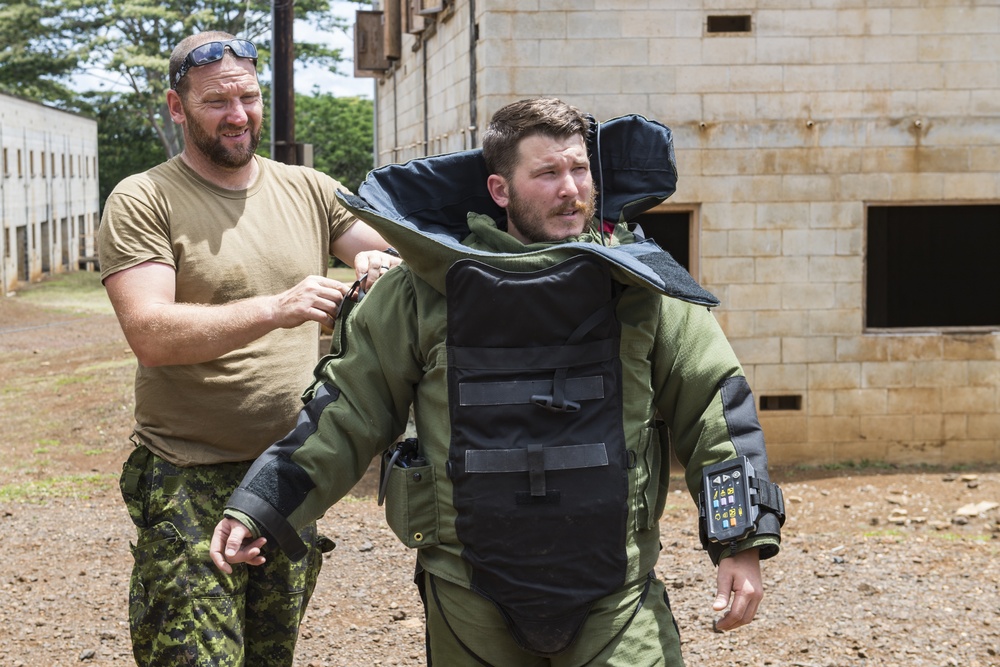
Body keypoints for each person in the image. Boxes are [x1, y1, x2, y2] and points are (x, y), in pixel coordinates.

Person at [210, 98, 784, 666]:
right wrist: (259, 506)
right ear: (499, 190)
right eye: (548, 173)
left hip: (615, 594)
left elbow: (715, 403)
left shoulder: (641, 284)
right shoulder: (418, 293)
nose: (571, 190)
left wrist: (740, 542)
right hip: (468, 598)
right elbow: (345, 414)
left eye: (579, 169)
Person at [97, 30, 400, 666]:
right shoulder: (144, 197)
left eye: (250, 99)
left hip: (289, 474)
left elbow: (391, 254)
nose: (239, 116)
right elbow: (149, 333)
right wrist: (277, 308)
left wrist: (379, 260)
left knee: (270, 656)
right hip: (188, 475)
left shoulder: (310, 190)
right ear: (177, 108)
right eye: (216, 102)